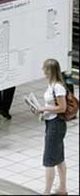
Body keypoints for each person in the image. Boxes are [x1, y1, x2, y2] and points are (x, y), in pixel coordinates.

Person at [37, 59, 68, 195]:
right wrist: (45, 112)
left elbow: (62, 108)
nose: (43, 70)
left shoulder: (58, 87)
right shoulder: (52, 85)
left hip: (56, 125)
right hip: (52, 123)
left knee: (49, 160)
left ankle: (46, 192)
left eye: (45, 68)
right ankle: (62, 189)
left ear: (50, 70)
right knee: (59, 158)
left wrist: (45, 108)